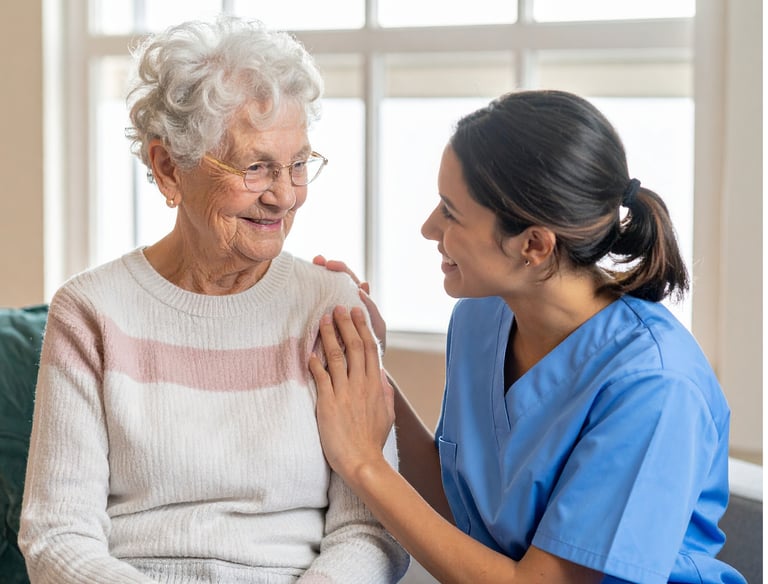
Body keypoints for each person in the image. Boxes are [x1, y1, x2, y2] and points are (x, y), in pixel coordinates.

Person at [19, 16, 408, 584]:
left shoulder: (331, 307)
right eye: (255, 167)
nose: (285, 195)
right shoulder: (90, 311)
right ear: (167, 167)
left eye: (299, 164)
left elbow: (372, 529)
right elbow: (57, 535)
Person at [309, 90, 747, 583]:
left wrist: (365, 466)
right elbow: (461, 512)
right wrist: (366, 361)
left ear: (534, 245)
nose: (429, 227)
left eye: (451, 212)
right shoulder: (481, 317)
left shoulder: (656, 388)